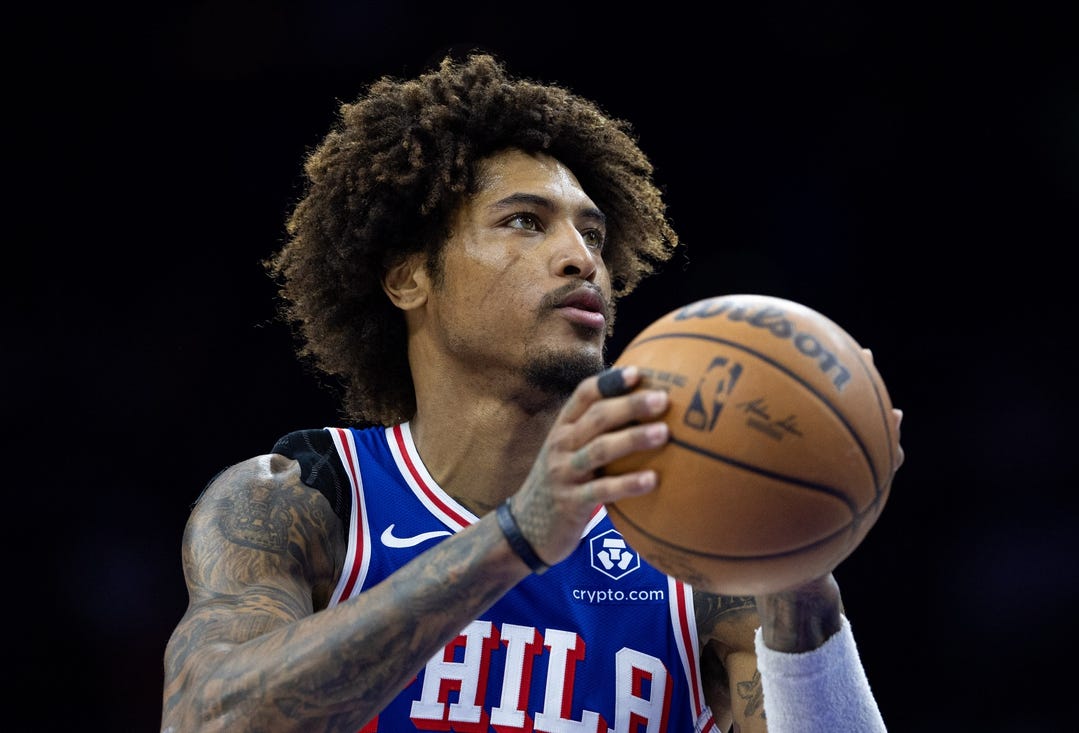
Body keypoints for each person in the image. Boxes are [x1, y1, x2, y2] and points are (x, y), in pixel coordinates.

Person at [161, 52, 903, 733]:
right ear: (407, 276)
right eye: (525, 222)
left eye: (593, 234)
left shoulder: (689, 544)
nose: (581, 258)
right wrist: (515, 536)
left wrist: (798, 582)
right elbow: (206, 717)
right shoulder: (303, 500)